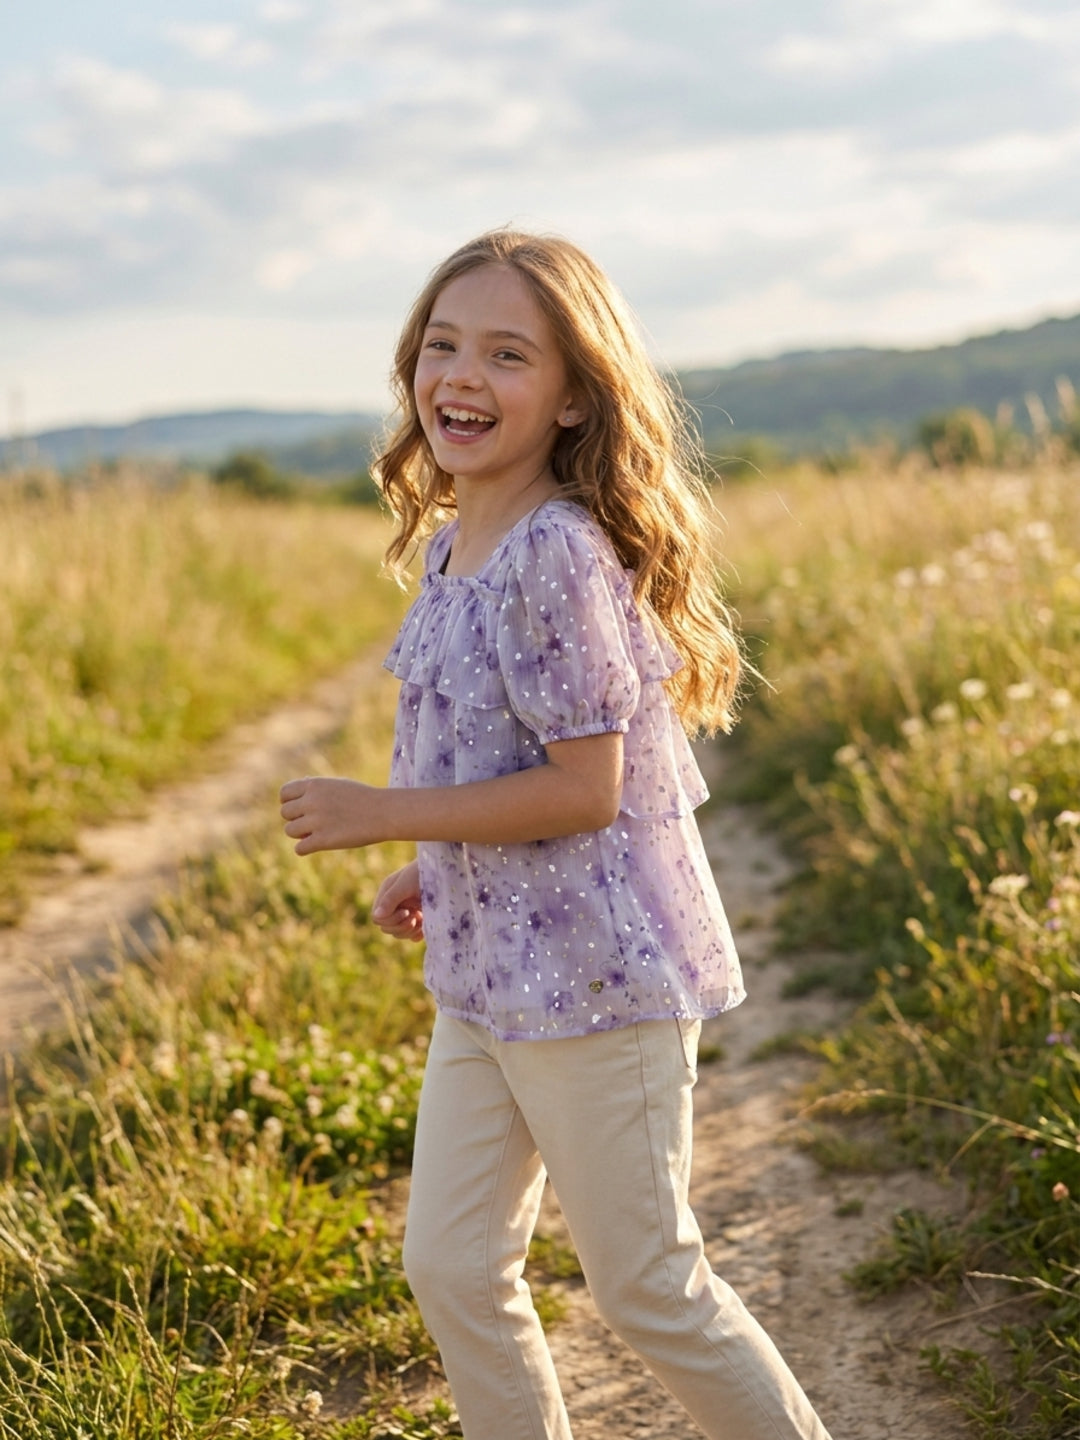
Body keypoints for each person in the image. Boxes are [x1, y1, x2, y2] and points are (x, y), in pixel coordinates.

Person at [280, 230, 832, 1440]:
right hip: (490, 980)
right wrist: (437, 863)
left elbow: (587, 788)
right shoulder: (453, 544)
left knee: (647, 1283)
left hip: (603, 980)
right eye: (441, 345)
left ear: (576, 394)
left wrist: (386, 818)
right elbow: (491, 754)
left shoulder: (559, 555)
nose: (460, 378)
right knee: (453, 1266)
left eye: (507, 354)